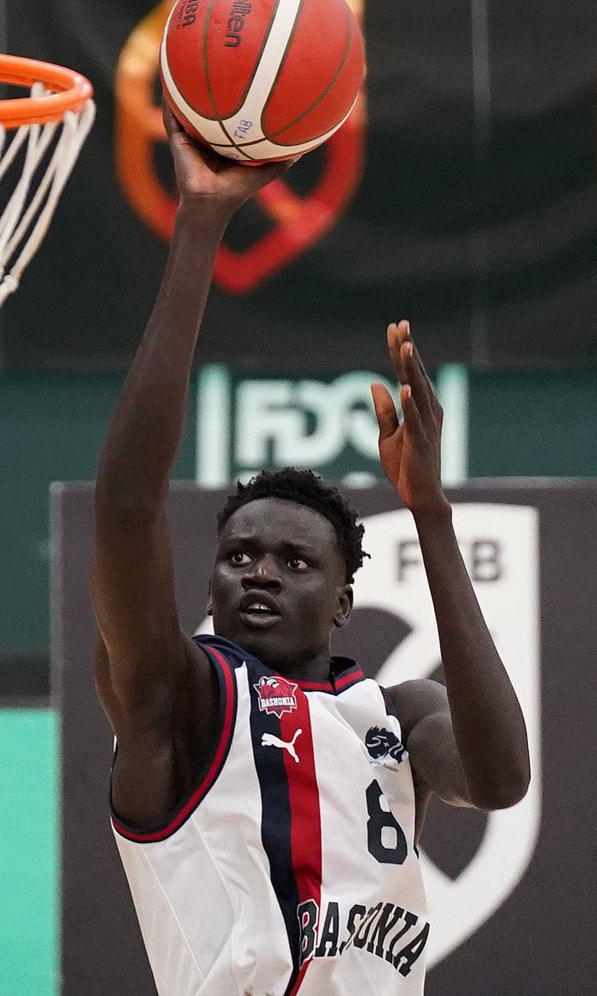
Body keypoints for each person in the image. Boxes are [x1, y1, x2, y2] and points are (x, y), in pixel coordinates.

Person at [91, 106, 530, 996]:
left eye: (296, 564)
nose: (259, 569)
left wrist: (431, 513)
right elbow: (128, 506)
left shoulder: (394, 713)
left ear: (342, 602)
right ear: (210, 577)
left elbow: (501, 780)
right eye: (240, 554)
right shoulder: (180, 698)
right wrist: (201, 223)